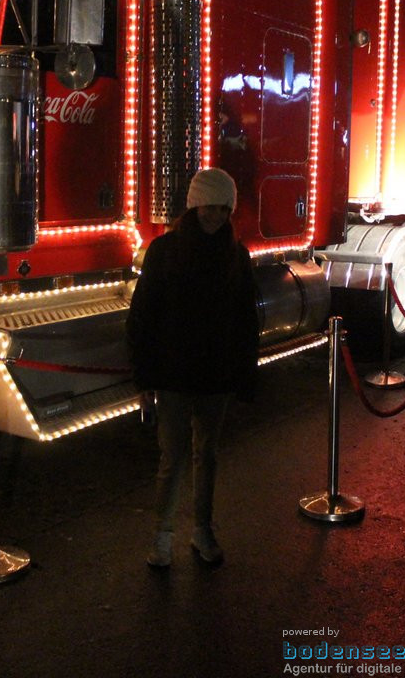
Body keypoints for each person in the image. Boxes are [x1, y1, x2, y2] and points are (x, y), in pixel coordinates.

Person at [127, 167, 259, 568]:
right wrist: (144, 379)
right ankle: (163, 536)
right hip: (173, 375)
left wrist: (243, 375)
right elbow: (142, 316)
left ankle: (202, 530)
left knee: (208, 454)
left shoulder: (236, 254)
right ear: (193, 206)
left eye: (222, 208)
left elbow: (245, 320)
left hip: (214, 375)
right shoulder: (164, 251)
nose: (215, 216)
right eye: (208, 207)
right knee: (174, 457)